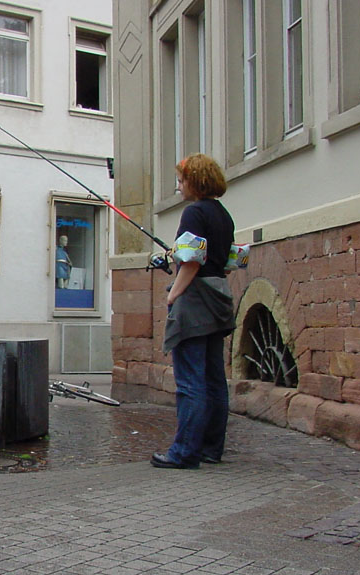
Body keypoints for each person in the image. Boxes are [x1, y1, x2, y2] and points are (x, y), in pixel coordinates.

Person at [151, 153, 236, 470]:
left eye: (181, 179)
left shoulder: (193, 212)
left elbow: (190, 262)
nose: (179, 185)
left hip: (195, 301)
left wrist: (173, 294)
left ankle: (184, 452)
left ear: (195, 182)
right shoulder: (223, 215)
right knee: (215, 379)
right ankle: (211, 448)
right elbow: (223, 259)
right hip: (218, 301)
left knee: (190, 381)